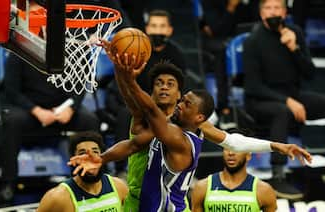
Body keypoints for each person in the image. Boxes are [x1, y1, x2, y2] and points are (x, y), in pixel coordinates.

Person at [70, 51, 311, 210]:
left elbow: (146, 106)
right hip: (143, 199)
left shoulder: (179, 133)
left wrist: (124, 73)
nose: (165, 89)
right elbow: (233, 141)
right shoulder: (163, 121)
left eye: (172, 87)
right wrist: (274, 145)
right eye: (158, 84)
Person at [243, 0, 325, 200]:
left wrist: (294, 48)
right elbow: (253, 86)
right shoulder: (253, 40)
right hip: (258, 101)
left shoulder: (294, 32)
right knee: (282, 111)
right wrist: (288, 101)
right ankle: (278, 174)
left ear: (285, 11)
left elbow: (310, 74)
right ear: (261, 13)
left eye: (277, 8)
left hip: (293, 96)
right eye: (268, 8)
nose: (273, 12)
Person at [0, 53, 100, 205]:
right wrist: (36, 110)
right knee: (11, 122)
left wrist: (71, 108)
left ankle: (90, 177)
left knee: (90, 120)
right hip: (31, 110)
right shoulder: (19, 54)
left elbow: (79, 85)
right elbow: (11, 91)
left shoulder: (70, 52)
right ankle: (8, 182)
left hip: (62, 109)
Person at [107, 8, 187, 177]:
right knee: (124, 113)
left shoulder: (177, 54)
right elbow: (128, 89)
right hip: (139, 102)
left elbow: (180, 90)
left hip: (164, 108)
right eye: (154, 26)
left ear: (169, 30)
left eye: (162, 26)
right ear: (146, 28)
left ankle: (181, 169)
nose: (157, 30)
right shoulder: (137, 50)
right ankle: (121, 170)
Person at [37, 131, 128, 211]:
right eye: (82, 153)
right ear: (73, 159)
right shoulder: (58, 197)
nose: (90, 158)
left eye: (95, 152)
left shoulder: (119, 187)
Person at [199, 0, 255, 129]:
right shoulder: (210, 3)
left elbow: (254, 23)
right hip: (219, 42)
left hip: (248, 38)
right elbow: (218, 30)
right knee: (223, 51)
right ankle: (224, 109)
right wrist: (231, 8)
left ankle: (254, 105)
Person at [191, 135, 277, 212]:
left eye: (237, 149)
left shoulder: (264, 190)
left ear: (248, 156)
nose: (231, 153)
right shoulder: (202, 187)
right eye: (227, 148)